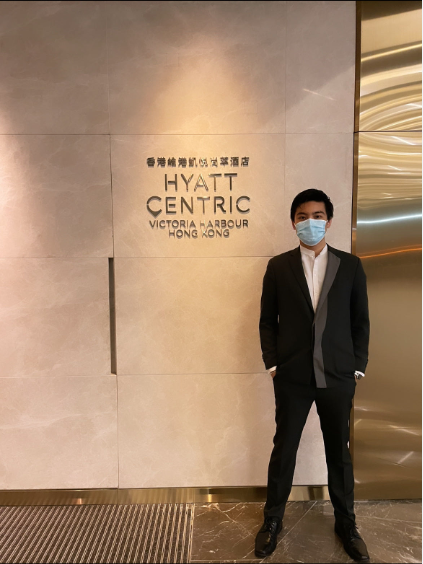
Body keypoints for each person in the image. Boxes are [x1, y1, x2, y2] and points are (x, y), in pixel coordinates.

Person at [255, 189, 370, 562]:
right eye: (302, 216)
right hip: (292, 377)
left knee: (339, 452)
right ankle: (272, 521)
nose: (310, 222)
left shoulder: (350, 266)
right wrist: (273, 365)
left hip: (338, 376)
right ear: (293, 223)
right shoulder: (279, 267)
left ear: (329, 221)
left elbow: (360, 321)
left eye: (317, 216)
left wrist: (357, 366)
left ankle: (347, 524)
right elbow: (267, 322)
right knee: (284, 449)